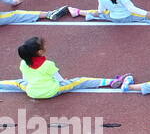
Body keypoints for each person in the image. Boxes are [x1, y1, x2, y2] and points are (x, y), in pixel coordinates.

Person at [0, 39, 130, 101]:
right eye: (43, 46)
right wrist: (64, 82)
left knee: (15, 83)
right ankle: (111, 82)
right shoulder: (48, 64)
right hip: (52, 91)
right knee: (81, 81)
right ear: (40, 52)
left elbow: (25, 79)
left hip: (31, 91)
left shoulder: (23, 63)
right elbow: (59, 79)